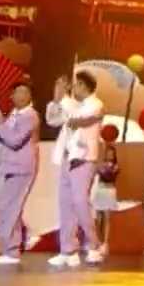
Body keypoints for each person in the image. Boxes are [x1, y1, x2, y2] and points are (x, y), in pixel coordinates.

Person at [45, 71, 106, 267]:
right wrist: (57, 98)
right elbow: (52, 120)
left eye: (76, 84)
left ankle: (94, 245)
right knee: (65, 204)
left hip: (83, 159)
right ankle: (68, 250)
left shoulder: (95, 104)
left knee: (80, 202)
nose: (73, 88)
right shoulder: (72, 104)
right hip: (66, 158)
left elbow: (78, 119)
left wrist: (63, 99)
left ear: (84, 86)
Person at [0, 81, 39, 265]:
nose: (22, 95)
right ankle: (16, 245)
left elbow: (14, 140)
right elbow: (3, 137)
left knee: (8, 207)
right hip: (11, 166)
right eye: (18, 92)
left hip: (21, 167)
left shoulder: (29, 115)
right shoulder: (14, 114)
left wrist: (0, 124)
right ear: (12, 96)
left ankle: (12, 250)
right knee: (8, 207)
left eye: (25, 92)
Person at [89, 143, 122, 254]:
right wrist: (99, 169)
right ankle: (98, 241)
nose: (110, 155)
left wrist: (106, 170)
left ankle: (105, 243)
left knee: (107, 218)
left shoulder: (116, 166)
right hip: (100, 190)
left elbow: (110, 177)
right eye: (108, 153)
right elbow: (96, 173)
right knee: (98, 218)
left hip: (110, 191)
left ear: (114, 155)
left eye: (112, 153)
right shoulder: (100, 165)